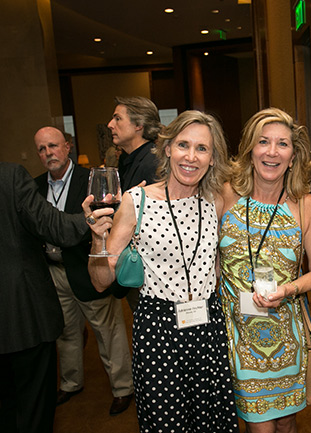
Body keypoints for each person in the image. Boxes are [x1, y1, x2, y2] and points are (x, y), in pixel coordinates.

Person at [84, 110, 238, 432]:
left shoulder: (216, 200)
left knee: (212, 422)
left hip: (208, 327)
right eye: (183, 145)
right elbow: (101, 281)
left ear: (212, 158)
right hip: (158, 331)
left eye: (202, 148)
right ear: (167, 149)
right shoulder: (137, 200)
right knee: (167, 423)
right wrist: (98, 238)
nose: (191, 157)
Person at [218, 108, 311, 433]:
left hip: (286, 336)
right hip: (236, 333)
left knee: (287, 422)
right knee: (259, 426)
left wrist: (289, 289)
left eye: (282, 144)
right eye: (263, 142)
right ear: (250, 149)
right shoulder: (226, 195)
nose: (272, 152)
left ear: (293, 157)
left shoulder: (305, 205)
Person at [33, 126, 134, 415]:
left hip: (87, 267)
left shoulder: (90, 179)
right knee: (66, 332)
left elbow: (107, 217)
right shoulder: (35, 186)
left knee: (108, 332)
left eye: (53, 146)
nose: (48, 153)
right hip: (53, 272)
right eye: (42, 149)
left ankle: (123, 387)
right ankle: (70, 382)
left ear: (68, 146)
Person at [0, 162, 90, 433]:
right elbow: (52, 225)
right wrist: (91, 217)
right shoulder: (9, 176)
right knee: (33, 409)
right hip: (22, 316)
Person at [107, 95, 162, 311]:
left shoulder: (152, 163)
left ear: (139, 124)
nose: (110, 125)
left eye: (117, 118)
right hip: (135, 269)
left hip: (150, 275)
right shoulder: (127, 160)